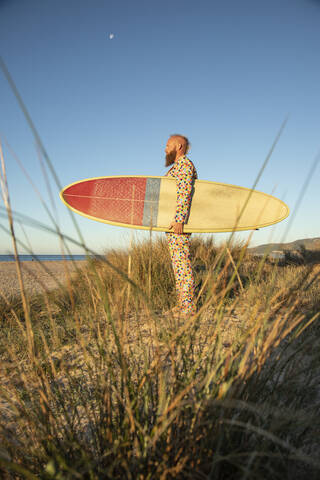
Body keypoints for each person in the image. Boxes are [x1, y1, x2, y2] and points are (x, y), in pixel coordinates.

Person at [165, 134, 198, 317]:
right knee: (178, 264)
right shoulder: (176, 167)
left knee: (182, 264)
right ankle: (183, 303)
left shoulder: (184, 164)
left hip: (179, 223)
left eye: (168, 145)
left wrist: (179, 218)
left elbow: (185, 190)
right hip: (173, 224)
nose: (165, 149)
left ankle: (188, 308)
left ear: (179, 146)